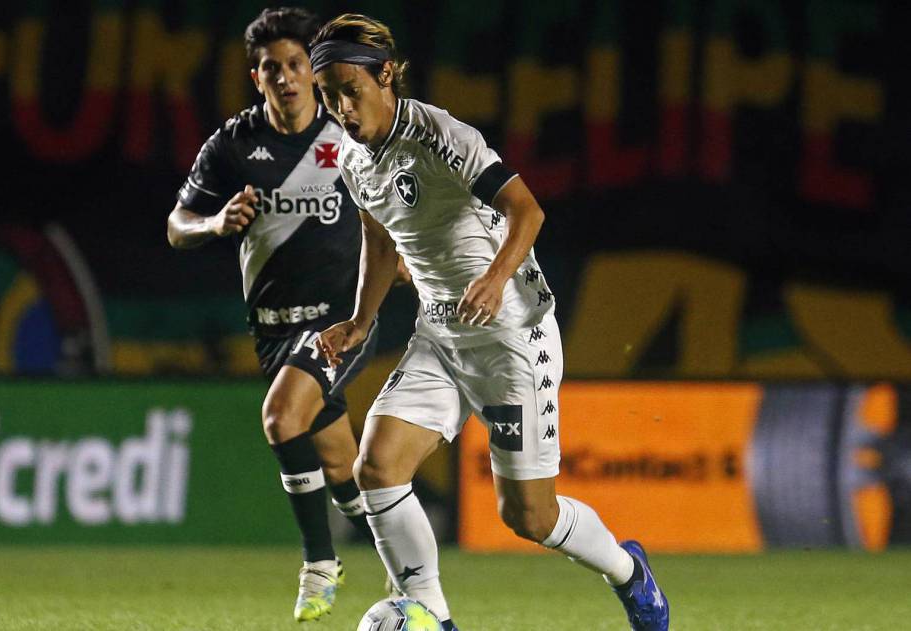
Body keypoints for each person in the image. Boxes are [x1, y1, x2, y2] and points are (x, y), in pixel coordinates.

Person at [310, 13, 670, 631]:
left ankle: (628, 572)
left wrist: (495, 276)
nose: (342, 107)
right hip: (440, 335)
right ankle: (433, 615)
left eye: (352, 89)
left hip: (511, 336)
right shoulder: (349, 155)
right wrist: (361, 320)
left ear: (386, 76)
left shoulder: (441, 135)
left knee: (529, 517)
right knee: (377, 467)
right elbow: (379, 235)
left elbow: (526, 211)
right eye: (330, 94)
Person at [166, 7, 383, 622]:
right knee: (344, 465)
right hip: (274, 331)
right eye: (271, 68)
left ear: (313, 72)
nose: (285, 77)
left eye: (295, 65)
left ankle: (320, 564)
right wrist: (213, 222)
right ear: (254, 76)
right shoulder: (234, 145)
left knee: (282, 420)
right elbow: (176, 227)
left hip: (341, 321)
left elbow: (395, 208)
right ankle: (397, 543)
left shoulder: (348, 138)